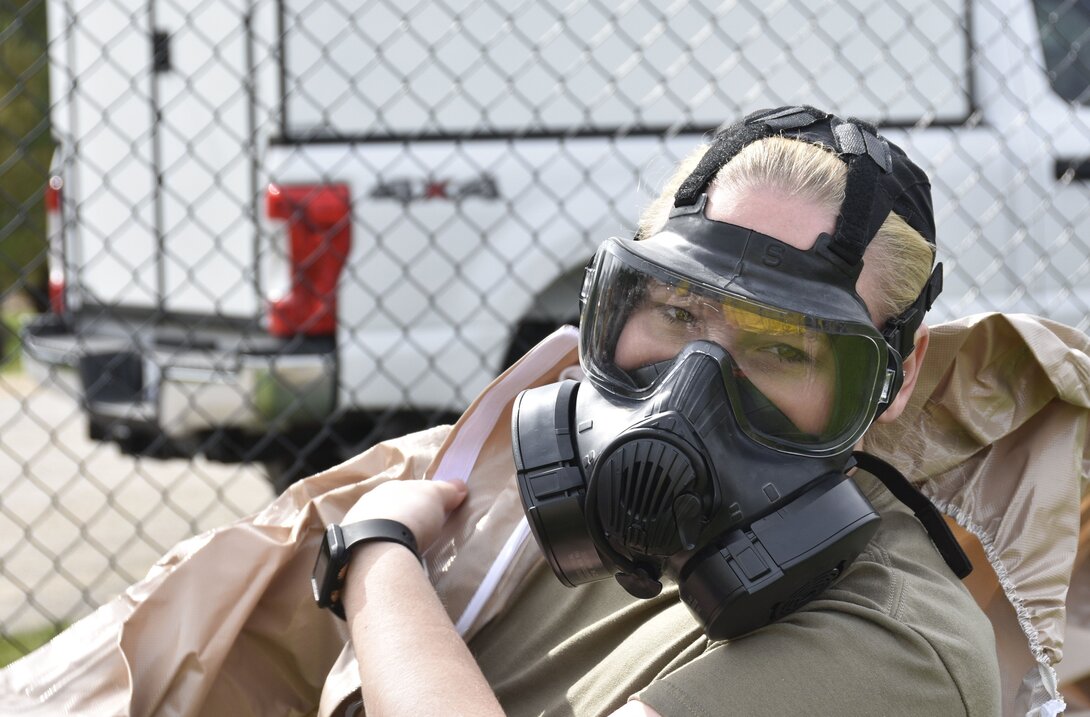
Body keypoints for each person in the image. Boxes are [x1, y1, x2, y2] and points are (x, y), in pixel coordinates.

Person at [326, 107, 1004, 715]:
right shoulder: (556, 525)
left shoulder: (902, 648)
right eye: (678, 312)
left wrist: (373, 558)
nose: (691, 389)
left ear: (898, 377)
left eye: (783, 349)